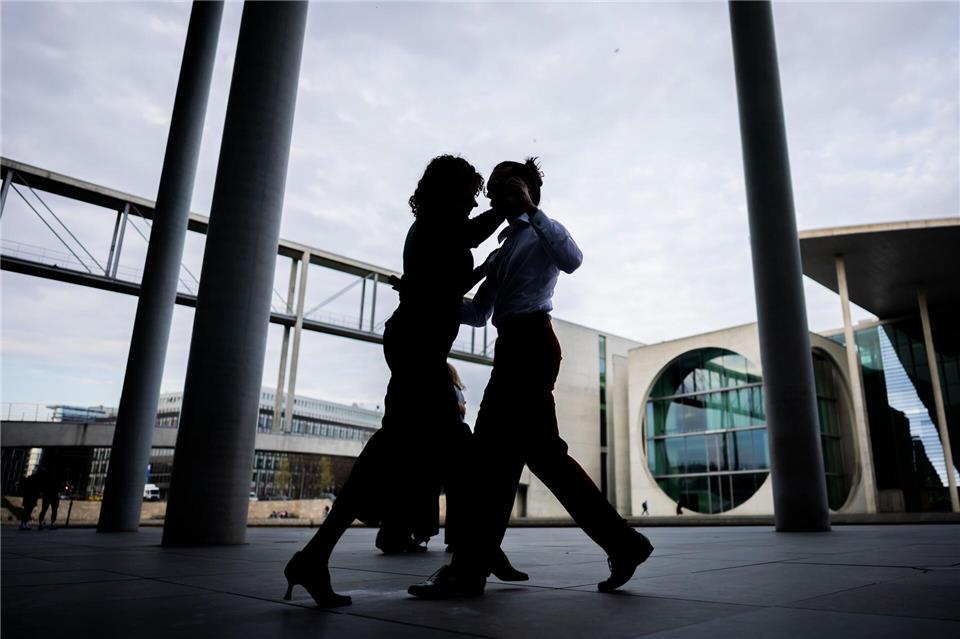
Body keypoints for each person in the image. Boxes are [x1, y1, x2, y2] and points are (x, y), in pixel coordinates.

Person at [410, 158, 653, 599]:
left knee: (490, 460)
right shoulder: (503, 248)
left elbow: (574, 260)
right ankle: (624, 543)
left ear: (529, 190)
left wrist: (534, 212)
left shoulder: (544, 232)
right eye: (496, 188)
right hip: (513, 348)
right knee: (538, 459)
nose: (498, 193)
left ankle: (468, 571)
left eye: (509, 185)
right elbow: (479, 313)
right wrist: (424, 295)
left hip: (533, 345)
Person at [283, 155, 519, 607]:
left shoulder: (432, 224)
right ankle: (482, 550)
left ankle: (315, 557)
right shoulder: (442, 222)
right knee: (454, 449)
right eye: (470, 191)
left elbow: (442, 284)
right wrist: (509, 209)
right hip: (417, 350)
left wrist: (482, 268)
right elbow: (462, 247)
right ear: (451, 191)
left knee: (414, 449)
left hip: (418, 347)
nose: (475, 200)